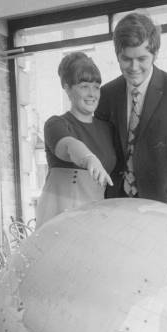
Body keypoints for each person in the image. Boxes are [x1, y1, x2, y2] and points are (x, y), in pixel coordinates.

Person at [95, 12, 167, 202]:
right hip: (117, 204)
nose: (134, 67)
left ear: (155, 54)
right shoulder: (106, 95)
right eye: (126, 59)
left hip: (165, 205)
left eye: (142, 59)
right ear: (117, 55)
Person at [35, 52, 116, 228]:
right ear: (67, 87)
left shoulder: (107, 129)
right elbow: (69, 145)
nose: (92, 94)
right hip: (59, 222)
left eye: (96, 87)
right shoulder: (56, 124)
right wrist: (89, 158)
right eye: (84, 86)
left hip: (95, 221)